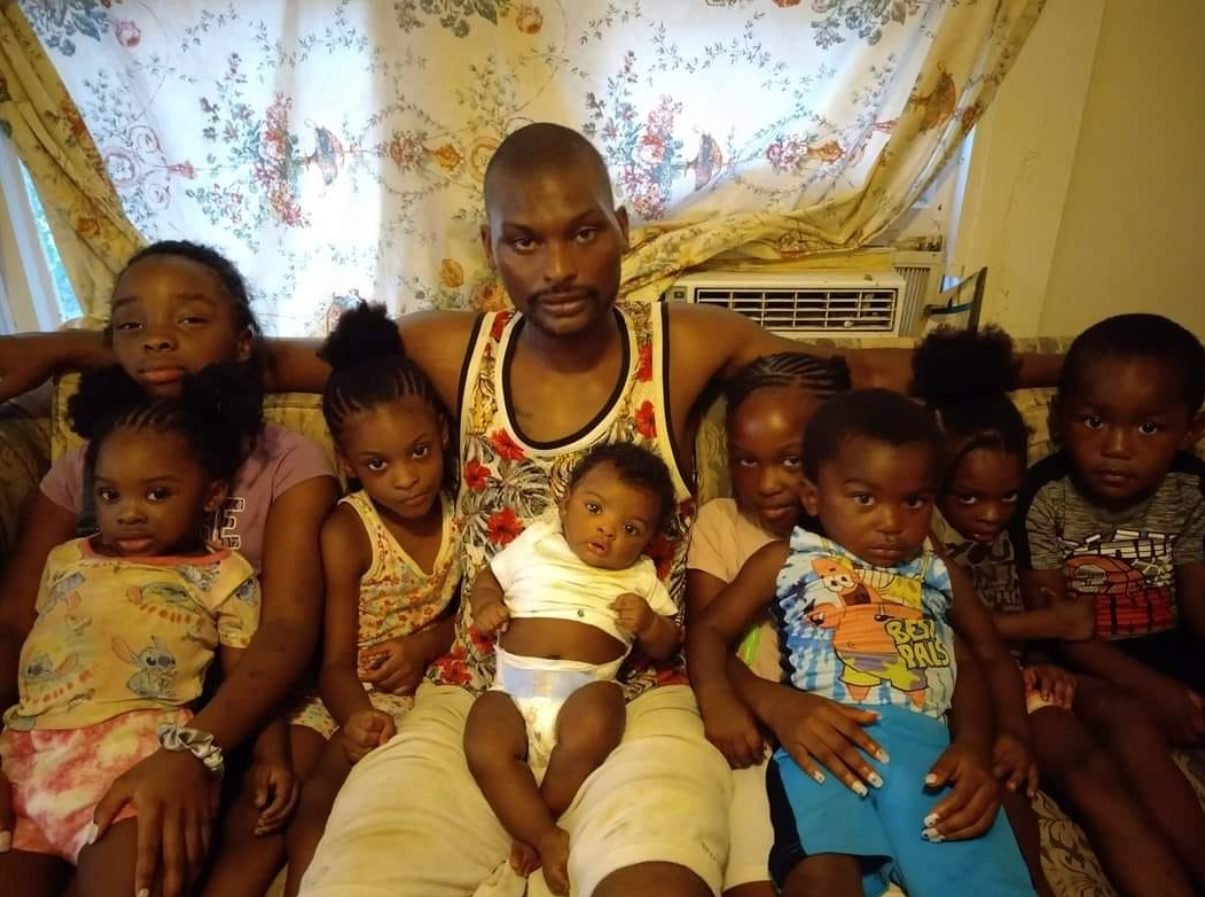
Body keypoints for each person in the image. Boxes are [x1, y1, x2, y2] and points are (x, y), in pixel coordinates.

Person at [0, 123, 1060, 897]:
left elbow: (861, 368)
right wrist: (76, 349)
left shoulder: (680, 340)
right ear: (491, 242)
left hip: (640, 692)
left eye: (583, 232)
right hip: (472, 688)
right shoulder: (451, 347)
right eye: (524, 241)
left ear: (621, 229)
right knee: (360, 875)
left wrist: (1060, 367)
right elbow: (268, 357)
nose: (557, 269)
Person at [0, 241, 339, 897]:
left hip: (228, 706)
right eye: (131, 324)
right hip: (63, 724)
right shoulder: (84, 466)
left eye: (188, 319)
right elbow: (15, 617)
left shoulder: (285, 459)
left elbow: (288, 626)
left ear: (242, 341)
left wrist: (194, 750)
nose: (156, 339)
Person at [689, 389, 1035, 897]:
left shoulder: (936, 572)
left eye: (913, 501)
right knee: (820, 879)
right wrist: (717, 697)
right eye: (865, 499)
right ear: (813, 496)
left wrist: (982, 744)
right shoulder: (786, 559)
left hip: (930, 754)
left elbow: (978, 658)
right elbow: (707, 629)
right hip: (827, 746)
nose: (892, 523)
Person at [0, 363, 263, 897]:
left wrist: (270, 756)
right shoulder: (64, 559)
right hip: (27, 761)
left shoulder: (223, 575)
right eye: (109, 495)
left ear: (212, 495)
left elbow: (248, 678)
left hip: (139, 763)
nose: (129, 514)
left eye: (157, 494)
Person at [1013, 313, 1205, 895]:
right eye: (1095, 422)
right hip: (1085, 663)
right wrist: (1154, 691)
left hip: (1171, 648)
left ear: (1190, 431)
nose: (1117, 449)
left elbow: (1197, 607)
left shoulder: (1191, 488)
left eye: (1148, 428)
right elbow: (1058, 627)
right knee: (1131, 727)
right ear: (1061, 418)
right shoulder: (1047, 495)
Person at [282, 302, 461, 895]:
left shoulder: (463, 510)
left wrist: (426, 643)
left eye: (419, 452)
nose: (406, 478)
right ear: (348, 464)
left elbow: (474, 610)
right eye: (378, 464)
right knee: (301, 800)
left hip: (423, 694)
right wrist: (357, 716)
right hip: (343, 696)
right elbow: (333, 662)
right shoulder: (347, 530)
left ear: (442, 434)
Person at [465, 442, 680, 895]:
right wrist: (485, 604)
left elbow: (668, 644)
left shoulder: (640, 576)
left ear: (648, 541)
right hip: (511, 690)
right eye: (594, 508)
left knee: (601, 713)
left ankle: (537, 819)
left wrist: (648, 624)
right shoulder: (537, 542)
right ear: (565, 504)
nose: (607, 529)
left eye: (631, 528)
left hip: (584, 692)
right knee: (483, 742)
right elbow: (488, 578)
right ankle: (546, 836)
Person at [686, 352, 850, 897]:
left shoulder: (871, 525)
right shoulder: (723, 523)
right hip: (758, 731)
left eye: (792, 460)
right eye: (746, 461)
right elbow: (706, 634)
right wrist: (767, 702)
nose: (768, 483)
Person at [914, 326, 1068, 897]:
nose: (990, 514)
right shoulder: (920, 531)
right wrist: (1048, 626)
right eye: (970, 498)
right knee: (1001, 786)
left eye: (1007, 496)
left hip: (1015, 676)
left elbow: (1039, 603)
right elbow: (959, 627)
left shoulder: (1024, 521)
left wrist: (1046, 648)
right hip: (957, 681)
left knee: (1086, 754)